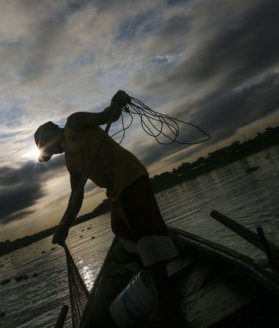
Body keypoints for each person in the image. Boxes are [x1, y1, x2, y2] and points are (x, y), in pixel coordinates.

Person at [34, 90, 185, 325]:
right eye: (48, 153)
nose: (51, 153)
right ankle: (151, 275)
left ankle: (169, 304)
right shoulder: (70, 162)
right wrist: (64, 226)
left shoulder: (74, 123)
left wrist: (117, 103)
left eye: (48, 149)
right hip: (116, 191)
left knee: (148, 241)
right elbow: (77, 195)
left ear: (52, 134)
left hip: (130, 178)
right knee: (122, 231)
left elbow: (107, 116)